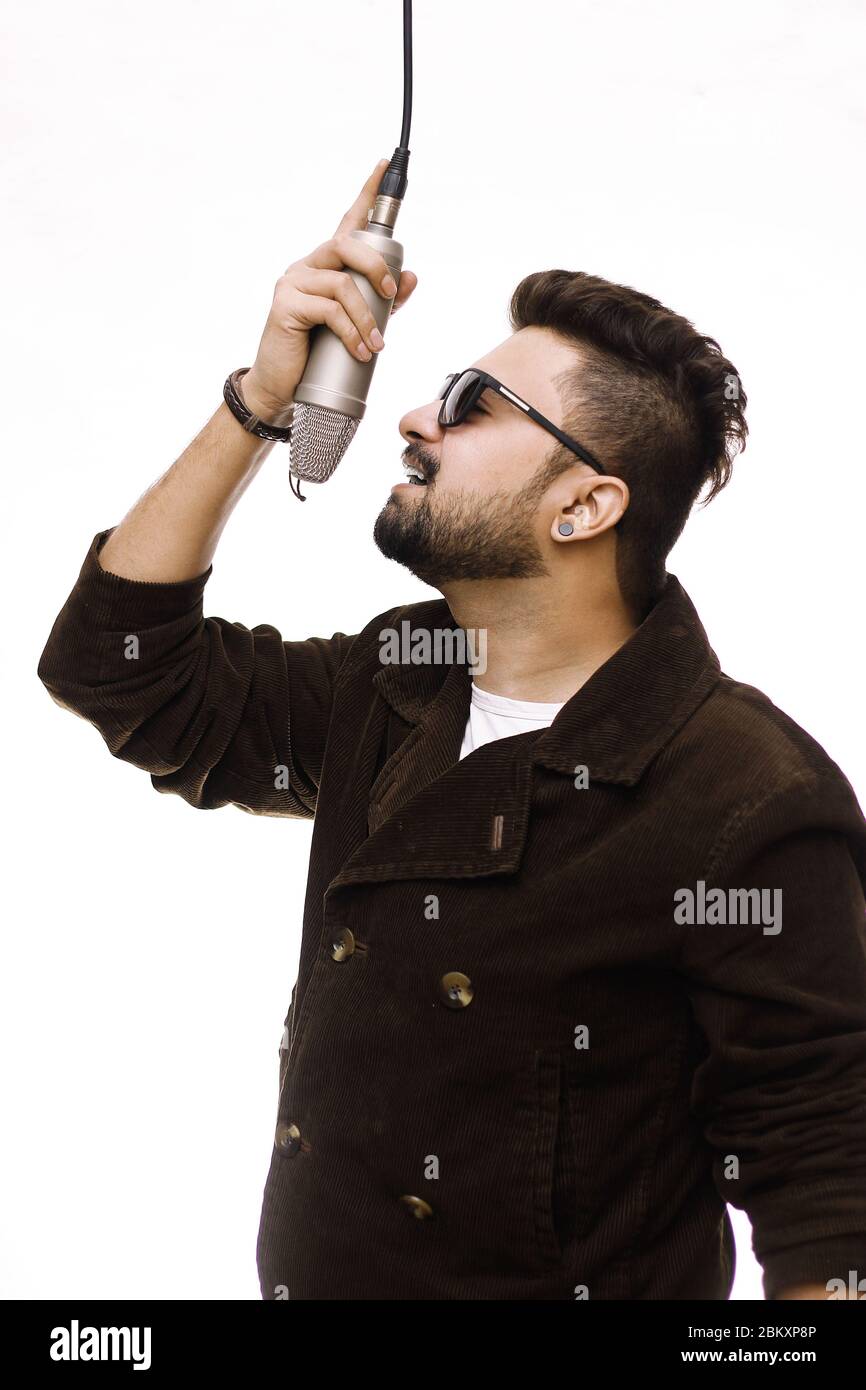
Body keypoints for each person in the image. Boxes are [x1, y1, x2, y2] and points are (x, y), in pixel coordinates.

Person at [37, 159, 866, 1301]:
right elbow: (121, 668)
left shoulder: (743, 797)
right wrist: (260, 403)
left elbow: (825, 1198)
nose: (416, 417)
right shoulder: (400, 676)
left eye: (476, 405)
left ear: (585, 505)